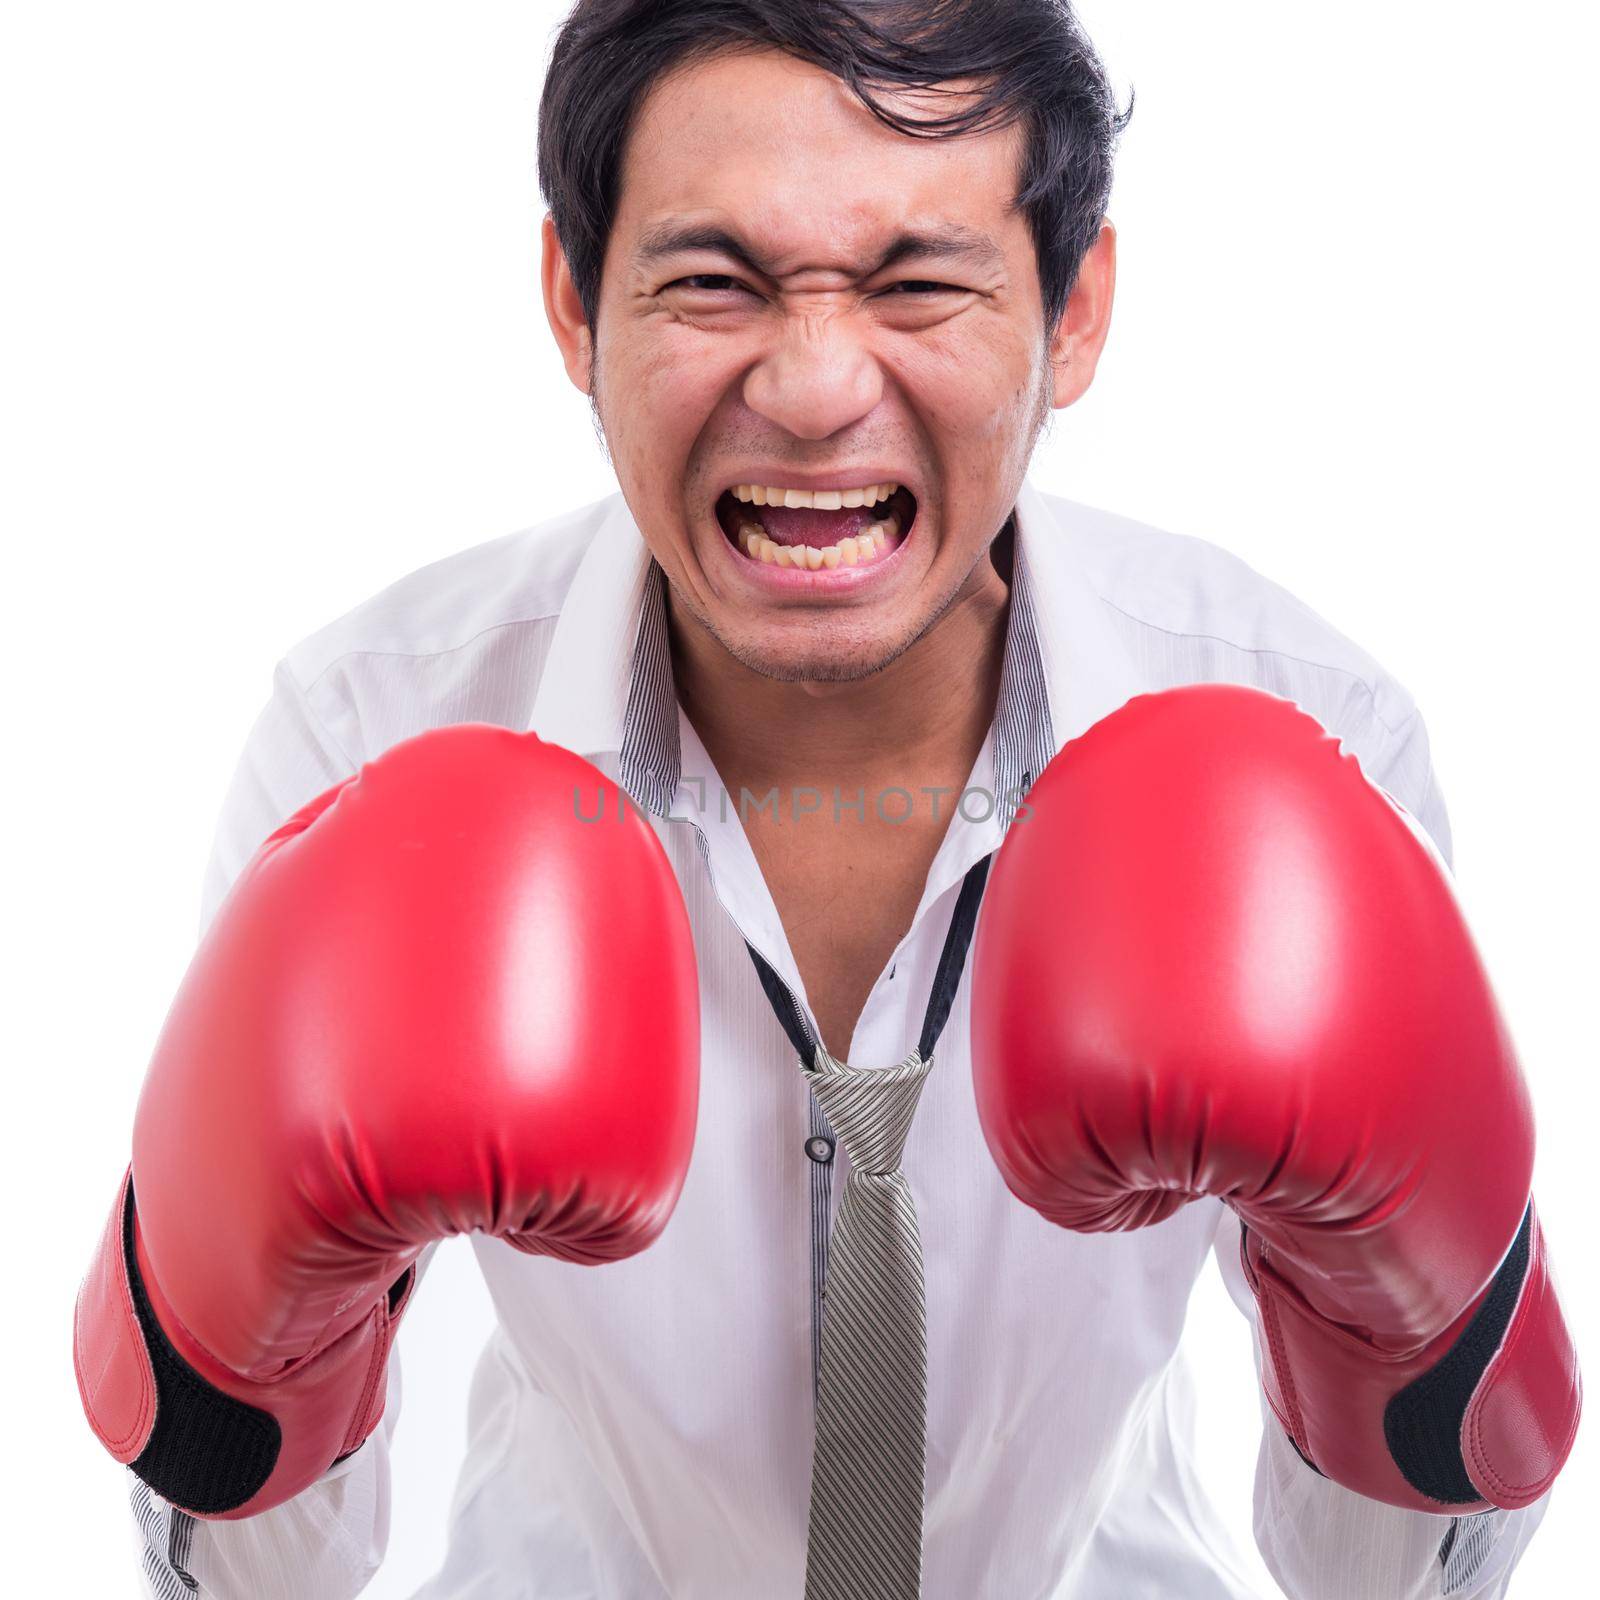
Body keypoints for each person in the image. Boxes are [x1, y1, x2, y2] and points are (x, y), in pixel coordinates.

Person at [72, 3, 1579, 1596]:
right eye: (713, 282)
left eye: (918, 283)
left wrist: (1391, 1321)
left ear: (1075, 313)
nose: (808, 386)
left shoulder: (1305, 726)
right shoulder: (372, 733)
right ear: (575, 305)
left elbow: (1392, 1581)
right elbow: (250, 1581)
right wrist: (259, 1348)